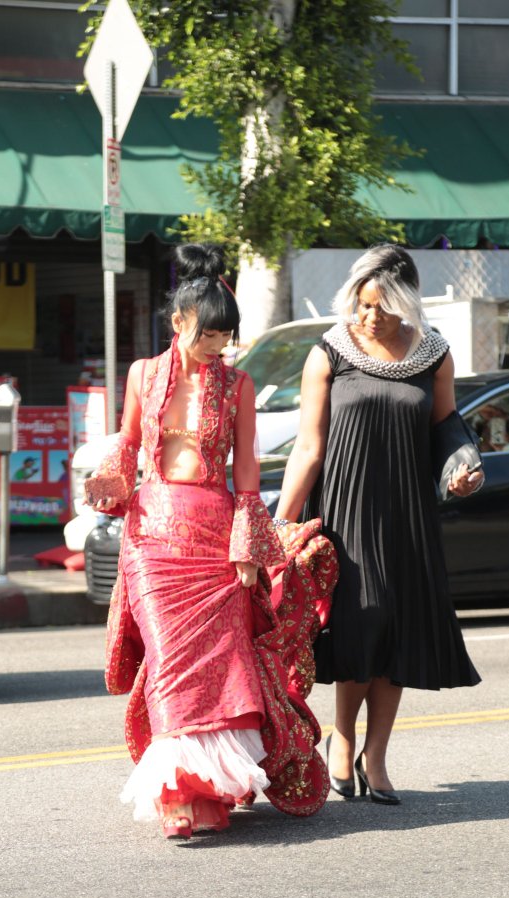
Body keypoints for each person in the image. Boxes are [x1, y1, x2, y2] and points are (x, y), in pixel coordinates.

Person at [85, 243, 338, 839]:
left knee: (219, 668)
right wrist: (109, 483)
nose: (218, 346)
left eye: (225, 337)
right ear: (179, 322)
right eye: (208, 335)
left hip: (215, 538)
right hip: (152, 538)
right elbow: (127, 441)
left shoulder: (239, 383)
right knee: (170, 665)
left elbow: (245, 469)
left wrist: (247, 546)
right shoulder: (143, 374)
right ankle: (178, 791)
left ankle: (214, 790)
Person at [273, 244, 482, 805]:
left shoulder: (434, 353)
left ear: (406, 302)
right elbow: (308, 447)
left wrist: (463, 466)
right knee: (361, 624)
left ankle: (377, 755)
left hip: (409, 511)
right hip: (347, 509)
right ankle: (342, 740)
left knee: (399, 629)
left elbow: (447, 426)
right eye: (363, 304)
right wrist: (279, 523)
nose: (369, 316)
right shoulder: (330, 352)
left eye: (382, 306)